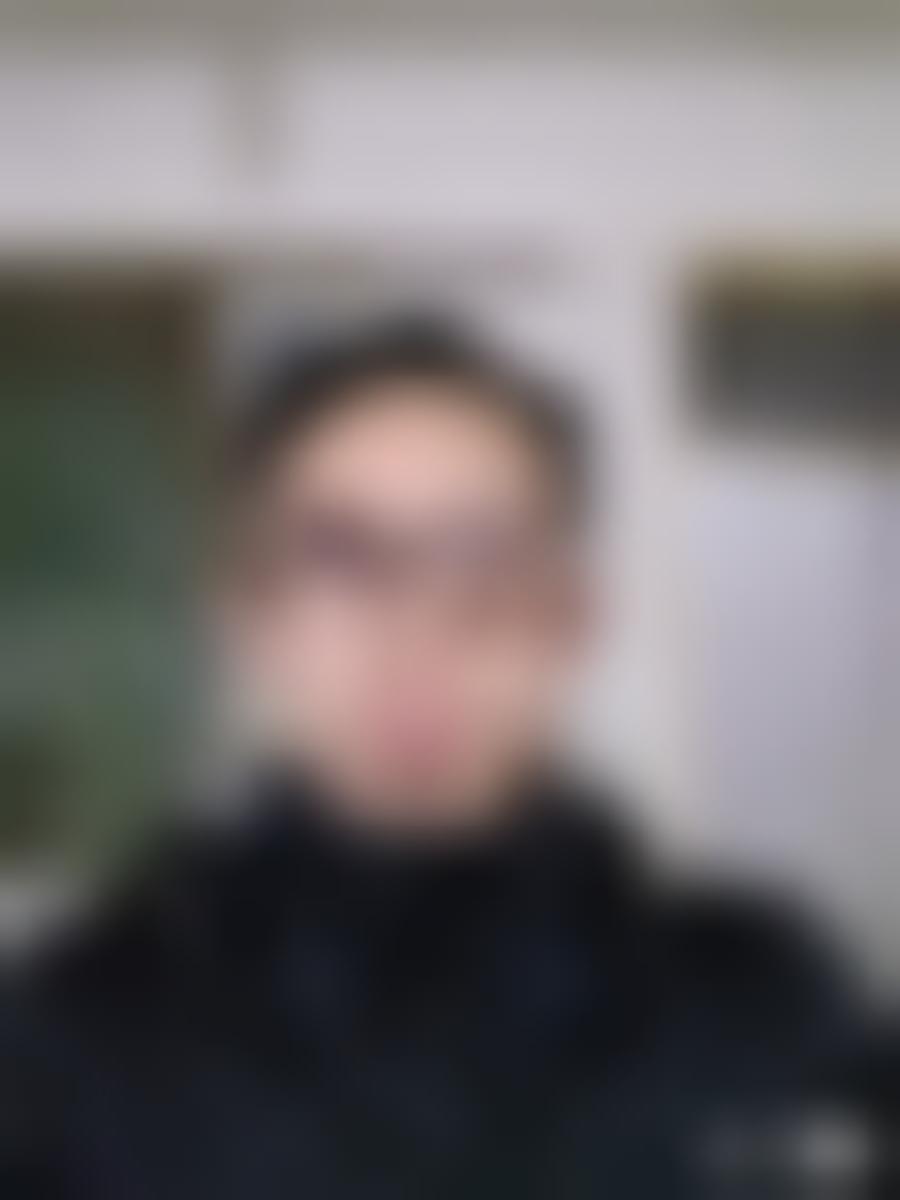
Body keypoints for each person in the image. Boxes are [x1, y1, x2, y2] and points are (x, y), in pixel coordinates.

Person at [0, 318, 868, 1198]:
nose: (417, 630)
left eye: (483, 556)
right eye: (342, 559)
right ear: (250, 619)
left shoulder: (761, 1002)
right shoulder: (74, 1036)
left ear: (573, 616)